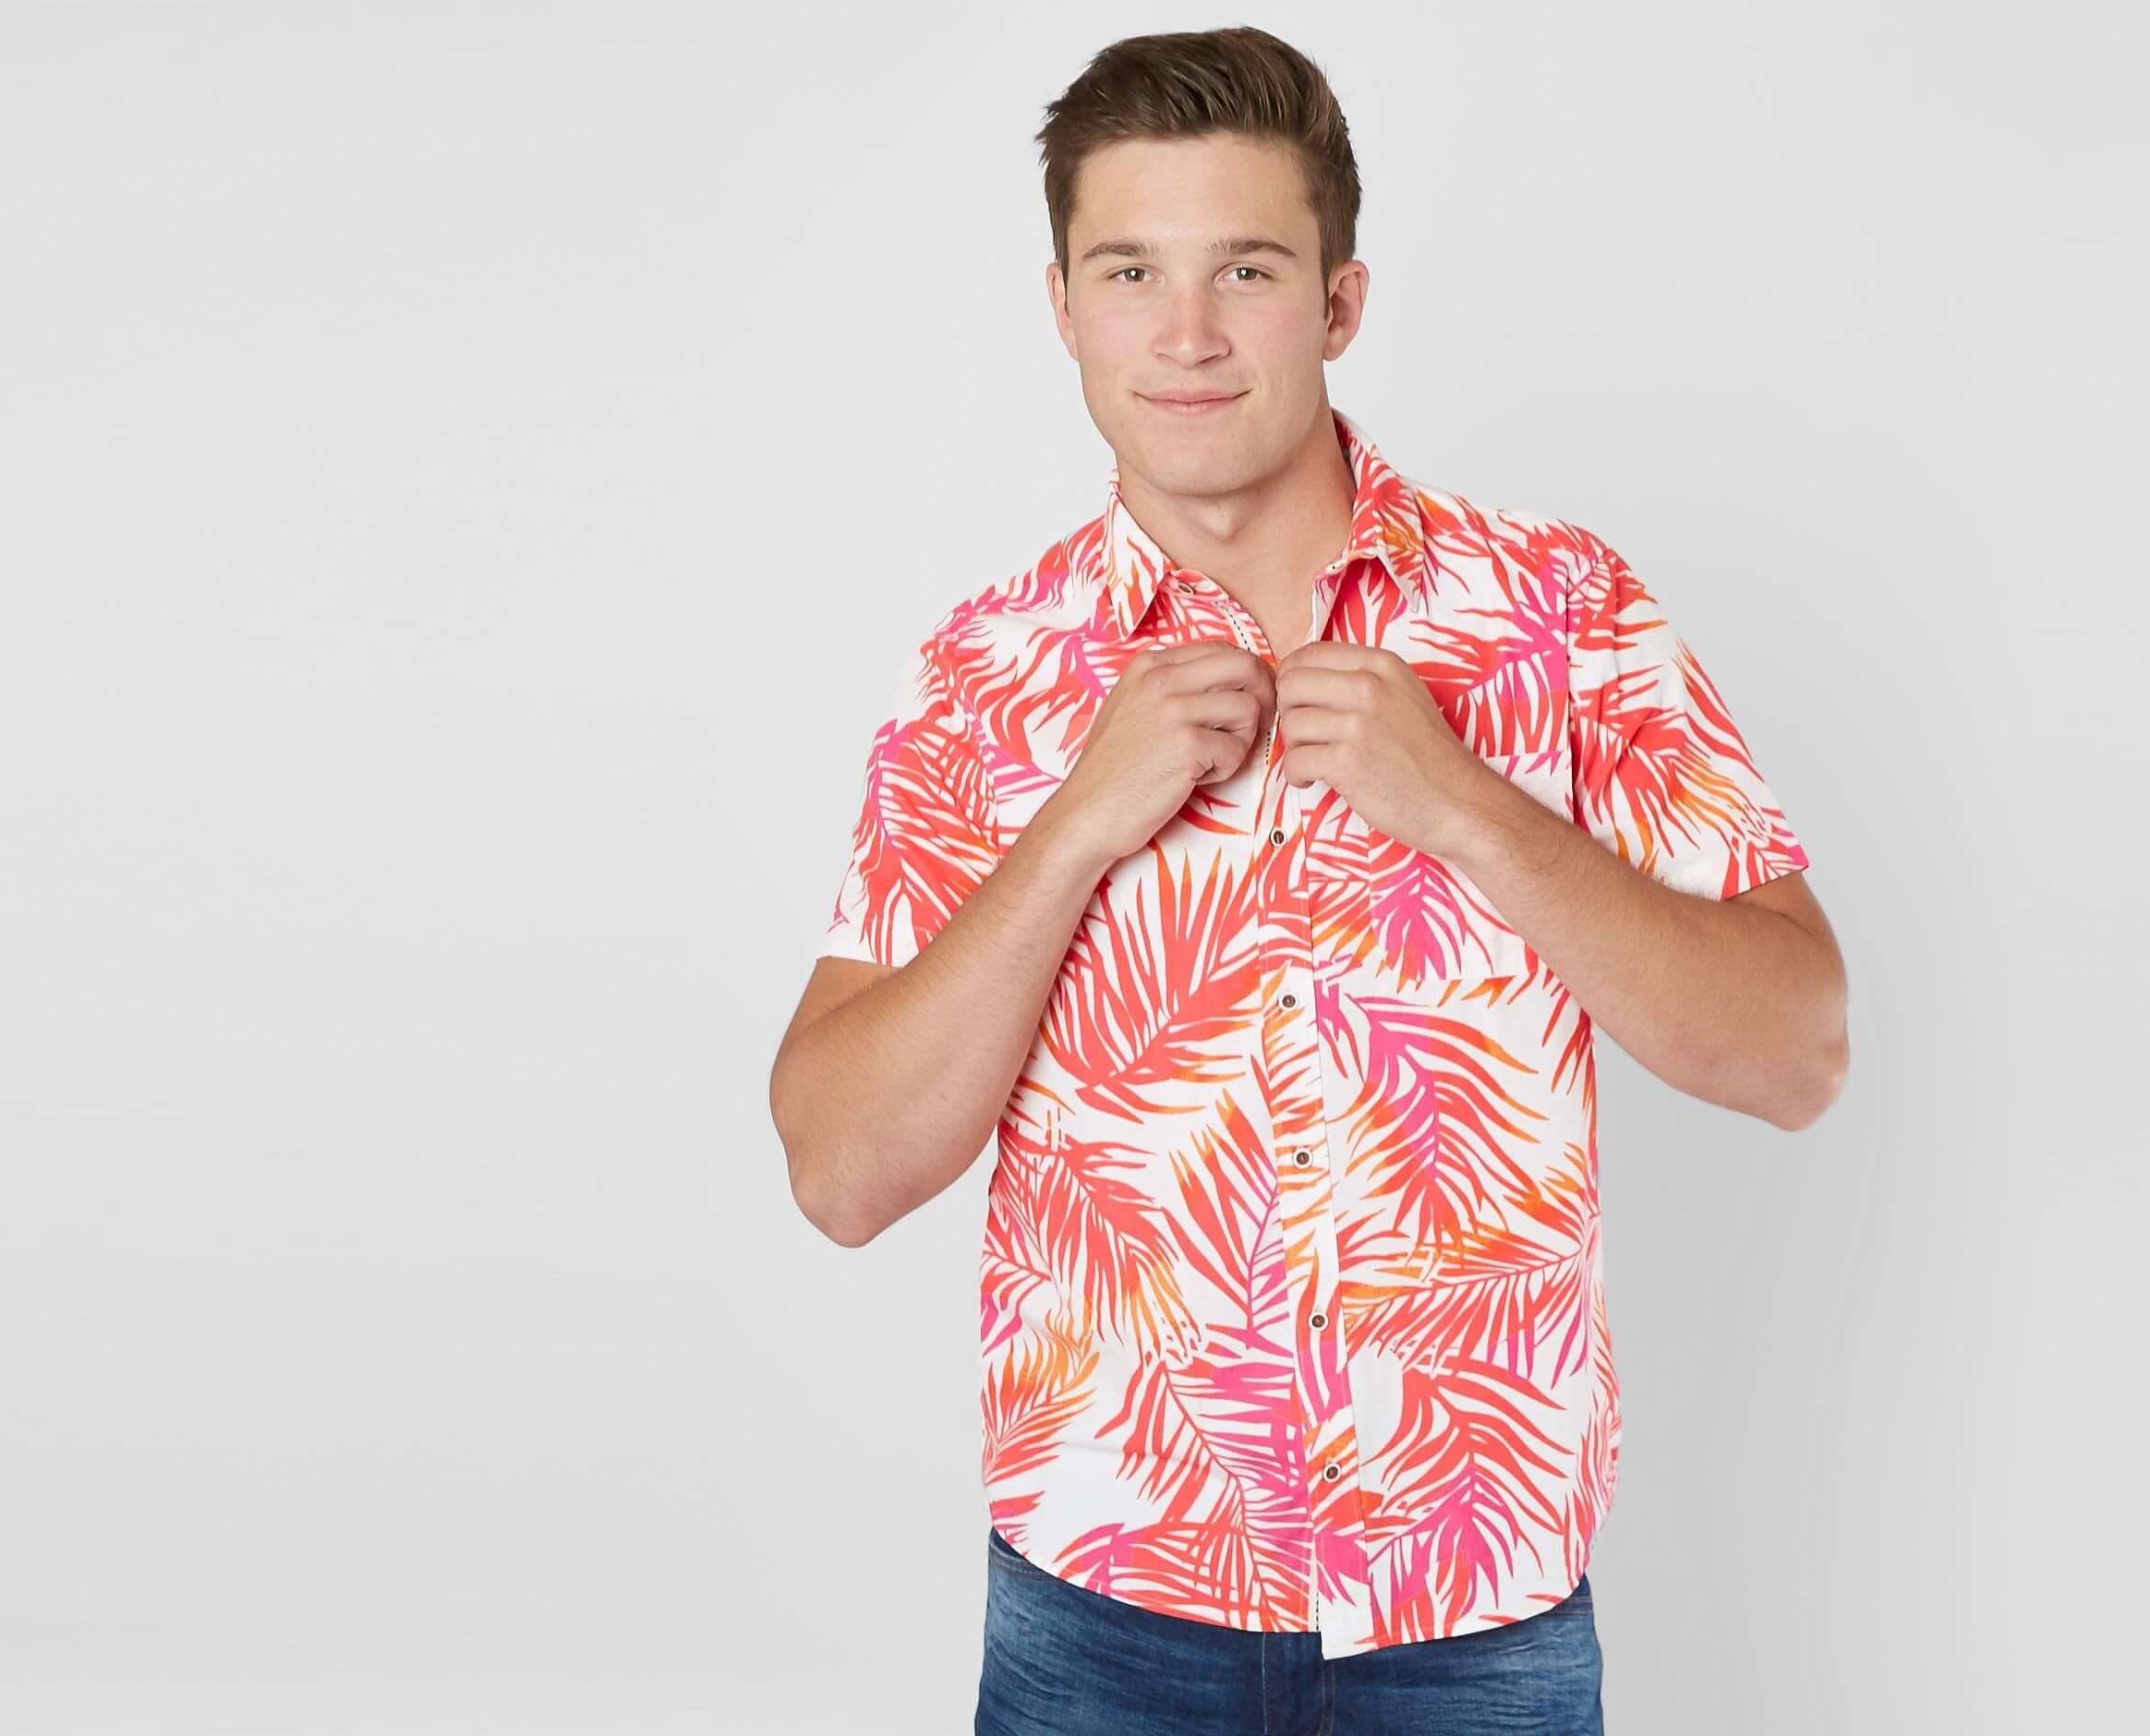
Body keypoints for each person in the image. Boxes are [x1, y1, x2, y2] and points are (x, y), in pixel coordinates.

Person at [766, 25, 1848, 1735]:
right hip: (1104, 1612)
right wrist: (1076, 826)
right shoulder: (987, 674)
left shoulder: (1561, 616)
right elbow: (840, 1170)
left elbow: (1798, 1053)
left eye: (1248, 270)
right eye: (1131, 271)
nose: (1187, 334)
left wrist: (1468, 807)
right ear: (1062, 307)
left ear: (1340, 303)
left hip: (1474, 1619)